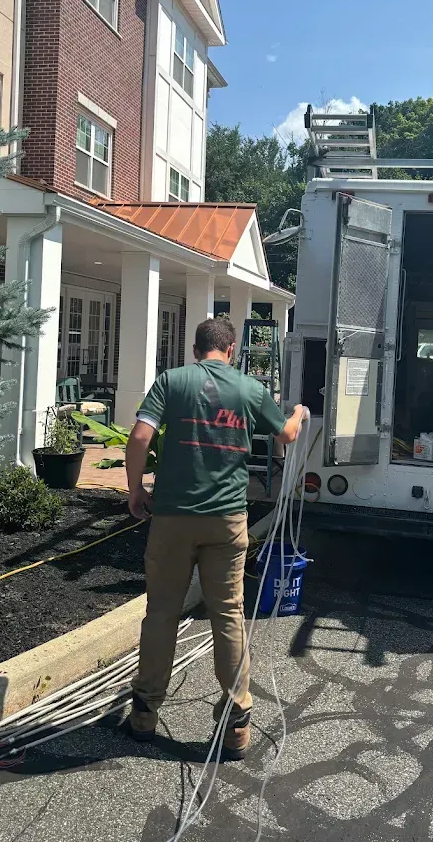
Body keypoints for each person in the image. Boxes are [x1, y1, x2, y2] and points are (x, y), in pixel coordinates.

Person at [125, 315, 306, 759]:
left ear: (195, 350)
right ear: (231, 351)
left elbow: (140, 436)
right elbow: (285, 436)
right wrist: (298, 414)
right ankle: (237, 722)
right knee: (227, 613)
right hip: (226, 520)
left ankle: (145, 714)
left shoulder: (173, 381)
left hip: (171, 518)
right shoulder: (249, 389)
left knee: (162, 613)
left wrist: (135, 489)